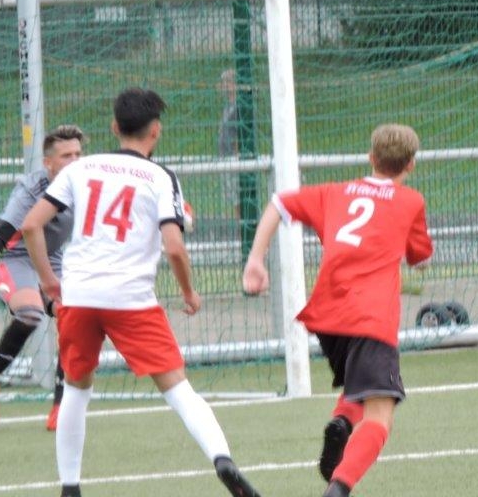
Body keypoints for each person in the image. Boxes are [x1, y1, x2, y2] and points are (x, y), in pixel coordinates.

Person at [22, 88, 260, 497]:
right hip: (130, 300)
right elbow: (174, 247)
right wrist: (189, 293)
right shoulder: (160, 178)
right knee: (179, 390)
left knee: (76, 389)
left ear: (114, 127)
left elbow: (30, 225)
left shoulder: (82, 168)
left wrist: (48, 281)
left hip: (79, 295)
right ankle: (222, 459)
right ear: (156, 131)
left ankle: (70, 487)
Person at [242, 123, 433, 497]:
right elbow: (420, 256)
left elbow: (279, 203)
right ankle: (339, 489)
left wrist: (255, 259)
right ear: (411, 164)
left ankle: (343, 422)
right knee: (380, 416)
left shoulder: (334, 193)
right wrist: (421, 258)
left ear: (370, 157)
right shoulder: (410, 201)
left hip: (329, 315)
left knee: (359, 385)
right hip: (370, 318)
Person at [0, 124, 86, 430]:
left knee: (74, 319)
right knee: (30, 314)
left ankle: (61, 406)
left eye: (78, 154)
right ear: (48, 162)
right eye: (66, 156)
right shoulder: (31, 190)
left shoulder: (86, 182)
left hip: (54, 259)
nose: (74, 161)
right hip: (19, 258)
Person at [217, 69, 240, 239]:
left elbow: (240, 133)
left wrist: (237, 155)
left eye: (227, 82)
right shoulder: (228, 106)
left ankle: (244, 231)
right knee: (233, 198)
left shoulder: (239, 106)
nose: (223, 86)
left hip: (234, 157)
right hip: (225, 156)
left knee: (238, 196)